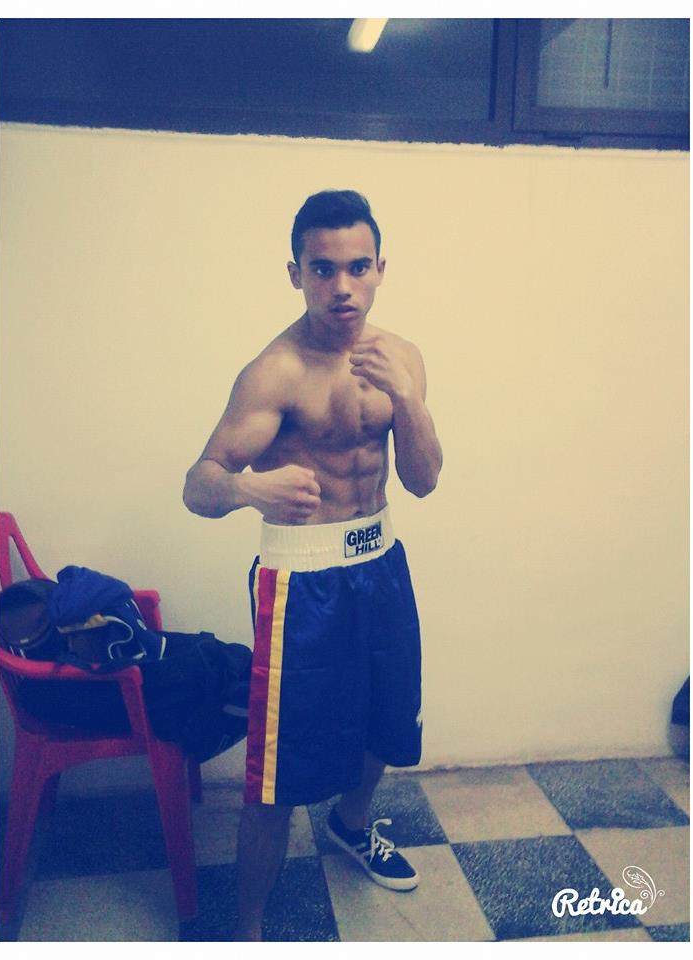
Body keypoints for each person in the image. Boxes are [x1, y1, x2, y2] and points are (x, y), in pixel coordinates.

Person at [183, 189, 442, 940]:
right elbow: (197, 484)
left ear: (381, 268)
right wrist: (247, 489)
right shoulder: (274, 373)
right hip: (300, 584)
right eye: (323, 269)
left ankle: (351, 824)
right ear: (296, 273)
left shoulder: (401, 359)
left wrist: (408, 401)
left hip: (380, 563)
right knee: (277, 775)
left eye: (358, 267)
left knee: (388, 720)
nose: (342, 286)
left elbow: (423, 480)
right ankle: (249, 932)